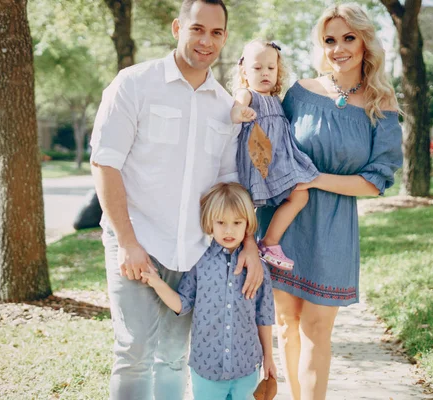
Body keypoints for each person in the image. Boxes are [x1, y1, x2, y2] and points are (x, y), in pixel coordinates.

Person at [89, 1, 264, 398]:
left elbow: (228, 184)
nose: (206, 40)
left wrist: (249, 243)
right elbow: (105, 164)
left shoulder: (224, 106)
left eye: (217, 33)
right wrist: (129, 243)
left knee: (171, 356)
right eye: (197, 29)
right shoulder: (133, 84)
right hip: (135, 243)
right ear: (177, 27)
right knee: (132, 352)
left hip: (192, 253)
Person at [255, 4, 403, 399]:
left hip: (335, 228)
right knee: (287, 323)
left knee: (317, 328)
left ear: (366, 42)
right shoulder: (300, 92)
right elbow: (269, 144)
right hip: (283, 222)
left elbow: (375, 182)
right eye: (330, 40)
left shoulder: (382, 105)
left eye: (348, 38)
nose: (339, 48)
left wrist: (315, 178)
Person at [141, 182, 277, 400]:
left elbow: (265, 315)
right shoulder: (199, 263)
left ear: (247, 225)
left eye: (237, 222)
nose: (229, 230)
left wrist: (269, 356)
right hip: (206, 368)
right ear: (209, 223)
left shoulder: (257, 267)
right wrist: (157, 282)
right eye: (221, 222)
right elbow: (183, 304)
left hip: (247, 366)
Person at [230, 40, 320, 271]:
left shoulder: (277, 101)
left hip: (280, 162)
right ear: (244, 71)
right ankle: (242, 249)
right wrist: (241, 112)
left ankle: (269, 242)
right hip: (259, 161)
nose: (265, 73)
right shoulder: (248, 94)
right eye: (257, 68)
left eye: (270, 68)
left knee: (300, 196)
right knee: (248, 207)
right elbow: (236, 108)